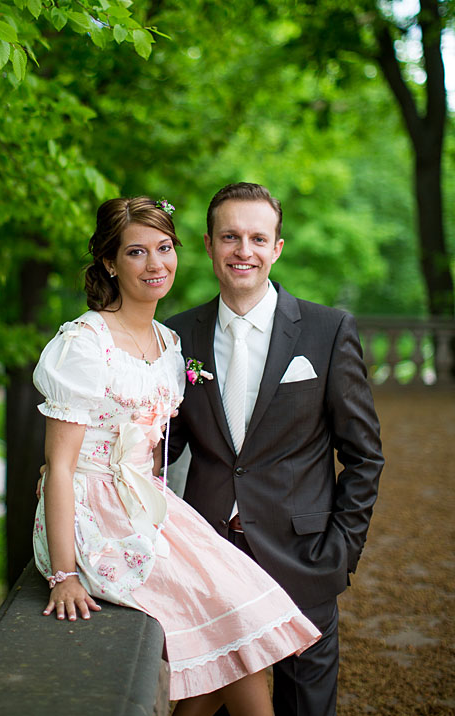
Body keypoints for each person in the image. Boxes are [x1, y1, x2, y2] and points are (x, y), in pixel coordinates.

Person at [32, 196, 321, 716]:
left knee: (230, 618)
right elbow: (60, 467)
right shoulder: (83, 344)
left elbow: (155, 442)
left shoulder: (169, 344)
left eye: (164, 248)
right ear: (109, 262)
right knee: (226, 613)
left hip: (150, 503)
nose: (155, 264)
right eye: (136, 253)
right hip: (94, 514)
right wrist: (64, 574)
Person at [166, 182, 385, 716]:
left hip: (302, 556)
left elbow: (364, 454)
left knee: (305, 705)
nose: (245, 250)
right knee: (206, 702)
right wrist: (80, 463)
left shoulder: (327, 331)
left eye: (258, 238)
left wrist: (341, 551)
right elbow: (161, 447)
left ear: (277, 248)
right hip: (211, 556)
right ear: (209, 244)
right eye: (231, 237)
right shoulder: (175, 337)